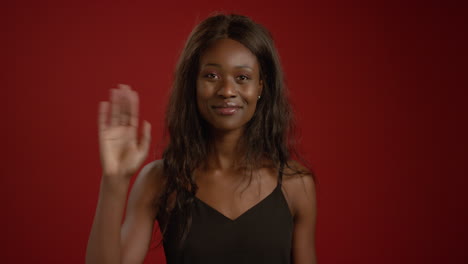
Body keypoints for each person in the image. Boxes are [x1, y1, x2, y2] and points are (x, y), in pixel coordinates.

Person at [86, 14, 317, 264]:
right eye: (211, 76)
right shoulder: (160, 181)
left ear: (260, 87)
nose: (227, 91)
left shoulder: (296, 185)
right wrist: (114, 182)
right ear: (193, 84)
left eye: (242, 77)